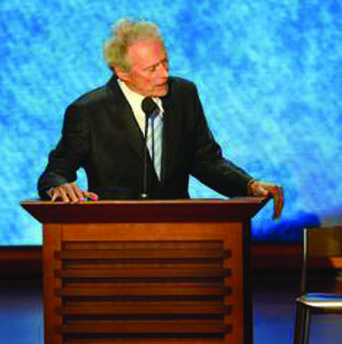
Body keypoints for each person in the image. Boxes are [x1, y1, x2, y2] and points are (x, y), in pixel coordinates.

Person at [38, 18, 284, 219]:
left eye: (165, 63)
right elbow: (56, 171)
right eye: (152, 69)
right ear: (121, 71)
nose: (165, 74)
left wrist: (249, 185)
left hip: (178, 232)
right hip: (114, 235)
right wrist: (57, 186)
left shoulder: (184, 95)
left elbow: (205, 161)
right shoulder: (89, 111)